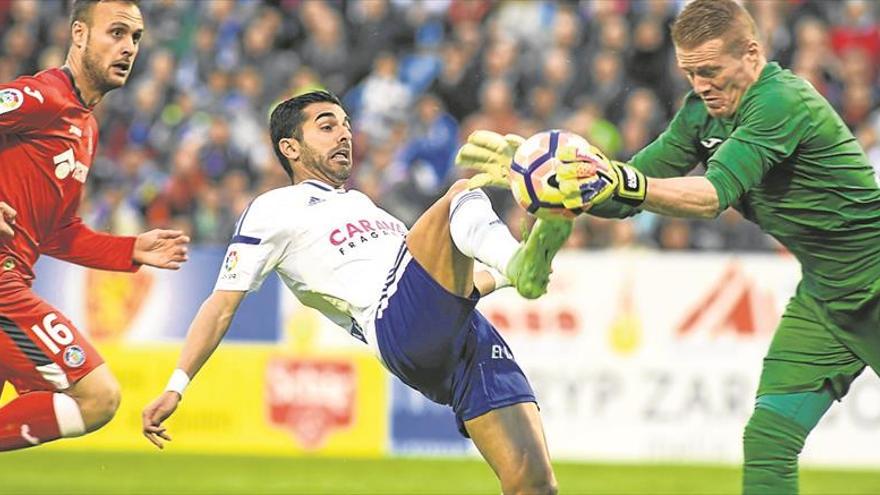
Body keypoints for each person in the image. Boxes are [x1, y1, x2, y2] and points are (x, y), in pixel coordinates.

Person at [456, 0, 880, 493]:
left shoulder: (782, 100)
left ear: (752, 54)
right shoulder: (700, 116)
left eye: (711, 71)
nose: (701, 85)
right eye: (690, 72)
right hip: (826, 299)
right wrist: (544, 175)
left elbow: (710, 196)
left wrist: (618, 181)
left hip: (874, 279)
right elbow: (627, 192)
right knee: (769, 441)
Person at [141, 90, 571, 495]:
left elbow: (450, 287)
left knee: (534, 484)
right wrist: (176, 385)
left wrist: (510, 278)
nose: (345, 133)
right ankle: (518, 256)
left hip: (464, 335)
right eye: (327, 126)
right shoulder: (272, 209)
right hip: (395, 323)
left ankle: (519, 263)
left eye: (347, 125)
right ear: (290, 148)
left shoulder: (365, 205)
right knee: (463, 192)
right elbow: (221, 304)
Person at [0, 0, 189, 451]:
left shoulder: (85, 127)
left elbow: (59, 230)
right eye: (117, 33)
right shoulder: (44, 96)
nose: (128, 48)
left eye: (136, 38)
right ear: (79, 35)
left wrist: (130, 250)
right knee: (97, 397)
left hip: (16, 279)